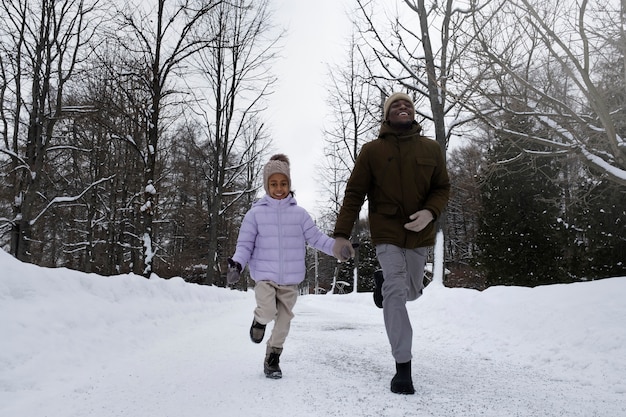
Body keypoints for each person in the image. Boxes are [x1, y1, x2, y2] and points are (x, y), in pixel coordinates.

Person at [332, 92, 450, 394]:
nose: (402, 106)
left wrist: (429, 212)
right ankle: (403, 369)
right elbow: (354, 194)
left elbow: (441, 188)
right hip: (386, 232)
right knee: (396, 294)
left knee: (411, 291)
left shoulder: (431, 149)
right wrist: (342, 234)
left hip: (419, 233)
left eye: (407, 104)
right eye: (395, 104)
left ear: (413, 113)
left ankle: (384, 281)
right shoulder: (372, 151)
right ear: (387, 115)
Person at [226, 154, 348, 379]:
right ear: (266, 185)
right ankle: (259, 320)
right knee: (268, 311)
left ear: (289, 185)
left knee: (283, 323)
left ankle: (273, 357)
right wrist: (237, 264)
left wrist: (336, 249)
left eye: (283, 183)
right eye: (273, 184)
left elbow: (316, 238)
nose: (279, 188)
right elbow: (244, 245)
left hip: (290, 282)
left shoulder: (300, 215)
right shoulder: (255, 214)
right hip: (264, 277)